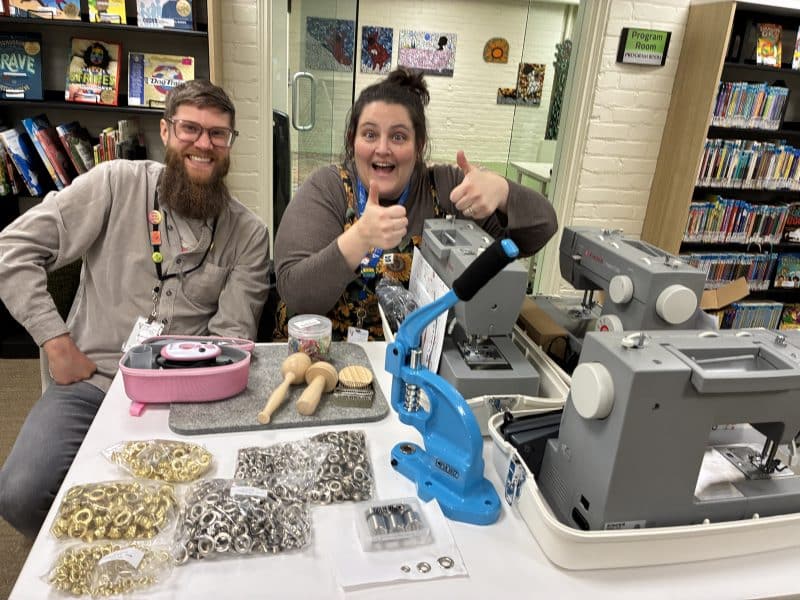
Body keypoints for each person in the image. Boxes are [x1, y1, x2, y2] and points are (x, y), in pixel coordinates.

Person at [0, 79, 270, 537]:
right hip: (91, 380)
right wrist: (55, 340)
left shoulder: (250, 234)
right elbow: (13, 248)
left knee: (198, 514)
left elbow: (230, 342)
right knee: (20, 493)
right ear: (166, 132)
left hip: (185, 396)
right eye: (190, 129)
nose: (203, 144)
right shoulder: (114, 184)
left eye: (218, 134)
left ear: (229, 144)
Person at [274, 67, 557, 341]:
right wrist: (359, 238)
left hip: (416, 361)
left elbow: (540, 230)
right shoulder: (329, 188)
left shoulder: (446, 188)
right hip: (327, 356)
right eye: (370, 134)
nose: (382, 148)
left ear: (419, 145)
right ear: (353, 140)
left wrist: (503, 191)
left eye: (398, 137)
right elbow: (297, 294)